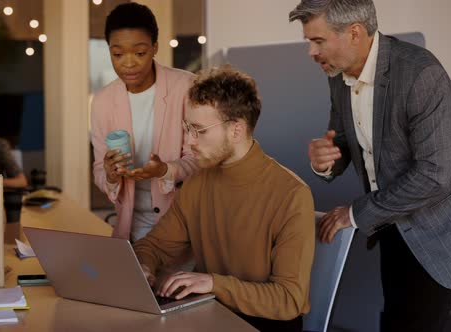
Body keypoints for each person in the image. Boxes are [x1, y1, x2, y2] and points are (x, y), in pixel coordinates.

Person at [289, 1, 451, 331]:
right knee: (396, 318)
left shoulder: (421, 74)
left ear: (354, 33)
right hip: (390, 221)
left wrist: (355, 214)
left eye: (317, 40)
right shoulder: (337, 74)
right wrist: (326, 161)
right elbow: (342, 141)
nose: (311, 52)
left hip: (437, 230)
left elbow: (434, 175)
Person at [133, 67, 315, 332]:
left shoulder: (292, 194)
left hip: (263, 325)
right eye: (187, 128)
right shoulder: (198, 182)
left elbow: (288, 300)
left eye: (200, 130)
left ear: (237, 130)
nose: (190, 141)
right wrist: (144, 267)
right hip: (210, 317)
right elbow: (155, 246)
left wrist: (213, 284)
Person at [91, 3, 197, 241]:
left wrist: (165, 170)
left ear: (154, 48)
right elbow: (99, 168)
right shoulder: (102, 101)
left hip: (183, 226)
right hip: (131, 228)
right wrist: (108, 174)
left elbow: (201, 158)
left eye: (139, 53)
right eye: (117, 54)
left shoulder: (186, 87)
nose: (128, 63)